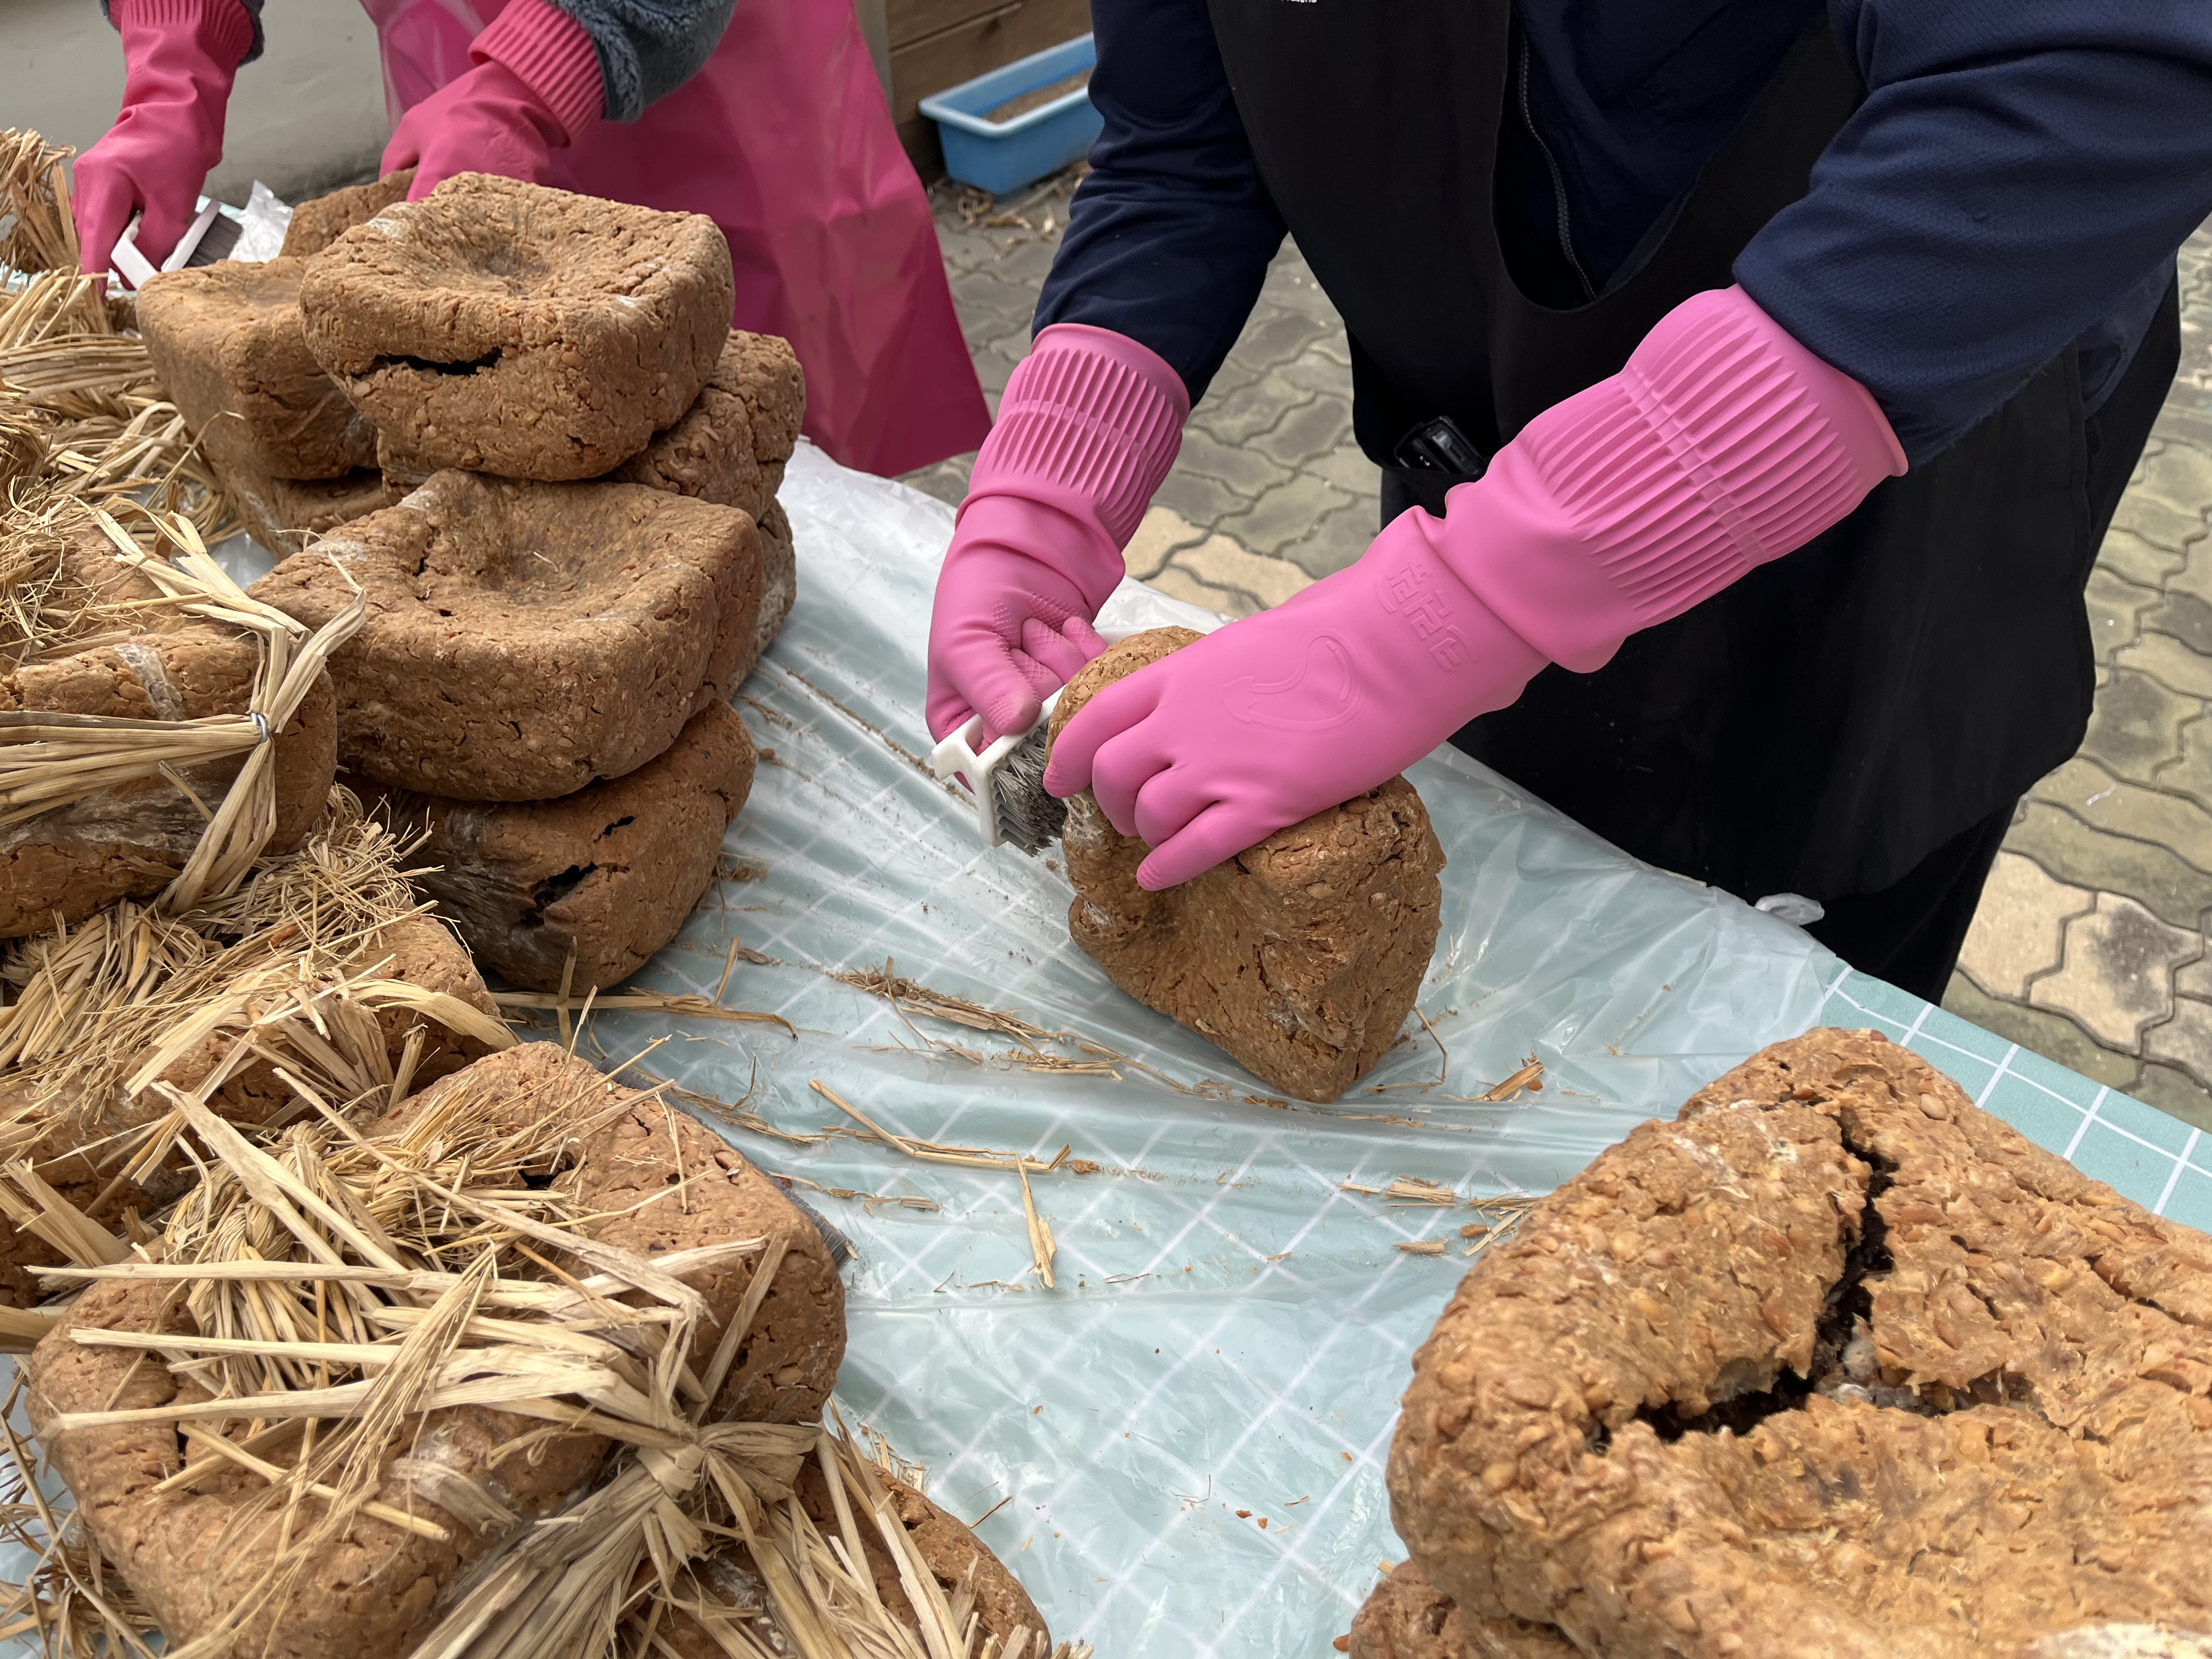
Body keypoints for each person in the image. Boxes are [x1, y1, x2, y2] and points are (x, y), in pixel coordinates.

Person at [925, 0, 2212, 1001]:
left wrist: (1459, 605)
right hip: (1490, 456)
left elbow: (2098, 77)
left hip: (1883, 493)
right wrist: (1049, 487)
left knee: (1778, 1072)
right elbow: (1185, 146)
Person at [72, 0, 989, 477]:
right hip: (455, 86)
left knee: (755, 453)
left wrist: (540, 71)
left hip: (718, 98)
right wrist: (171, 67)